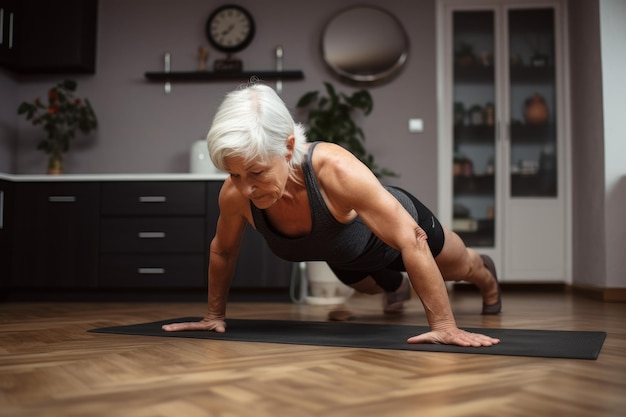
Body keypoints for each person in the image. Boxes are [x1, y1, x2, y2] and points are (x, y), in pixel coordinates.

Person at [162, 83, 502, 347]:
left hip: (403, 233)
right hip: (346, 252)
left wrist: (444, 327)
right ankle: (394, 287)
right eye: (234, 175)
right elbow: (222, 250)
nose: (245, 188)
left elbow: (410, 238)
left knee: (460, 268)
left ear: (290, 147)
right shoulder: (236, 193)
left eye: (256, 173)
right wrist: (213, 315)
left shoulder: (333, 169)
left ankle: (487, 278)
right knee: (371, 287)